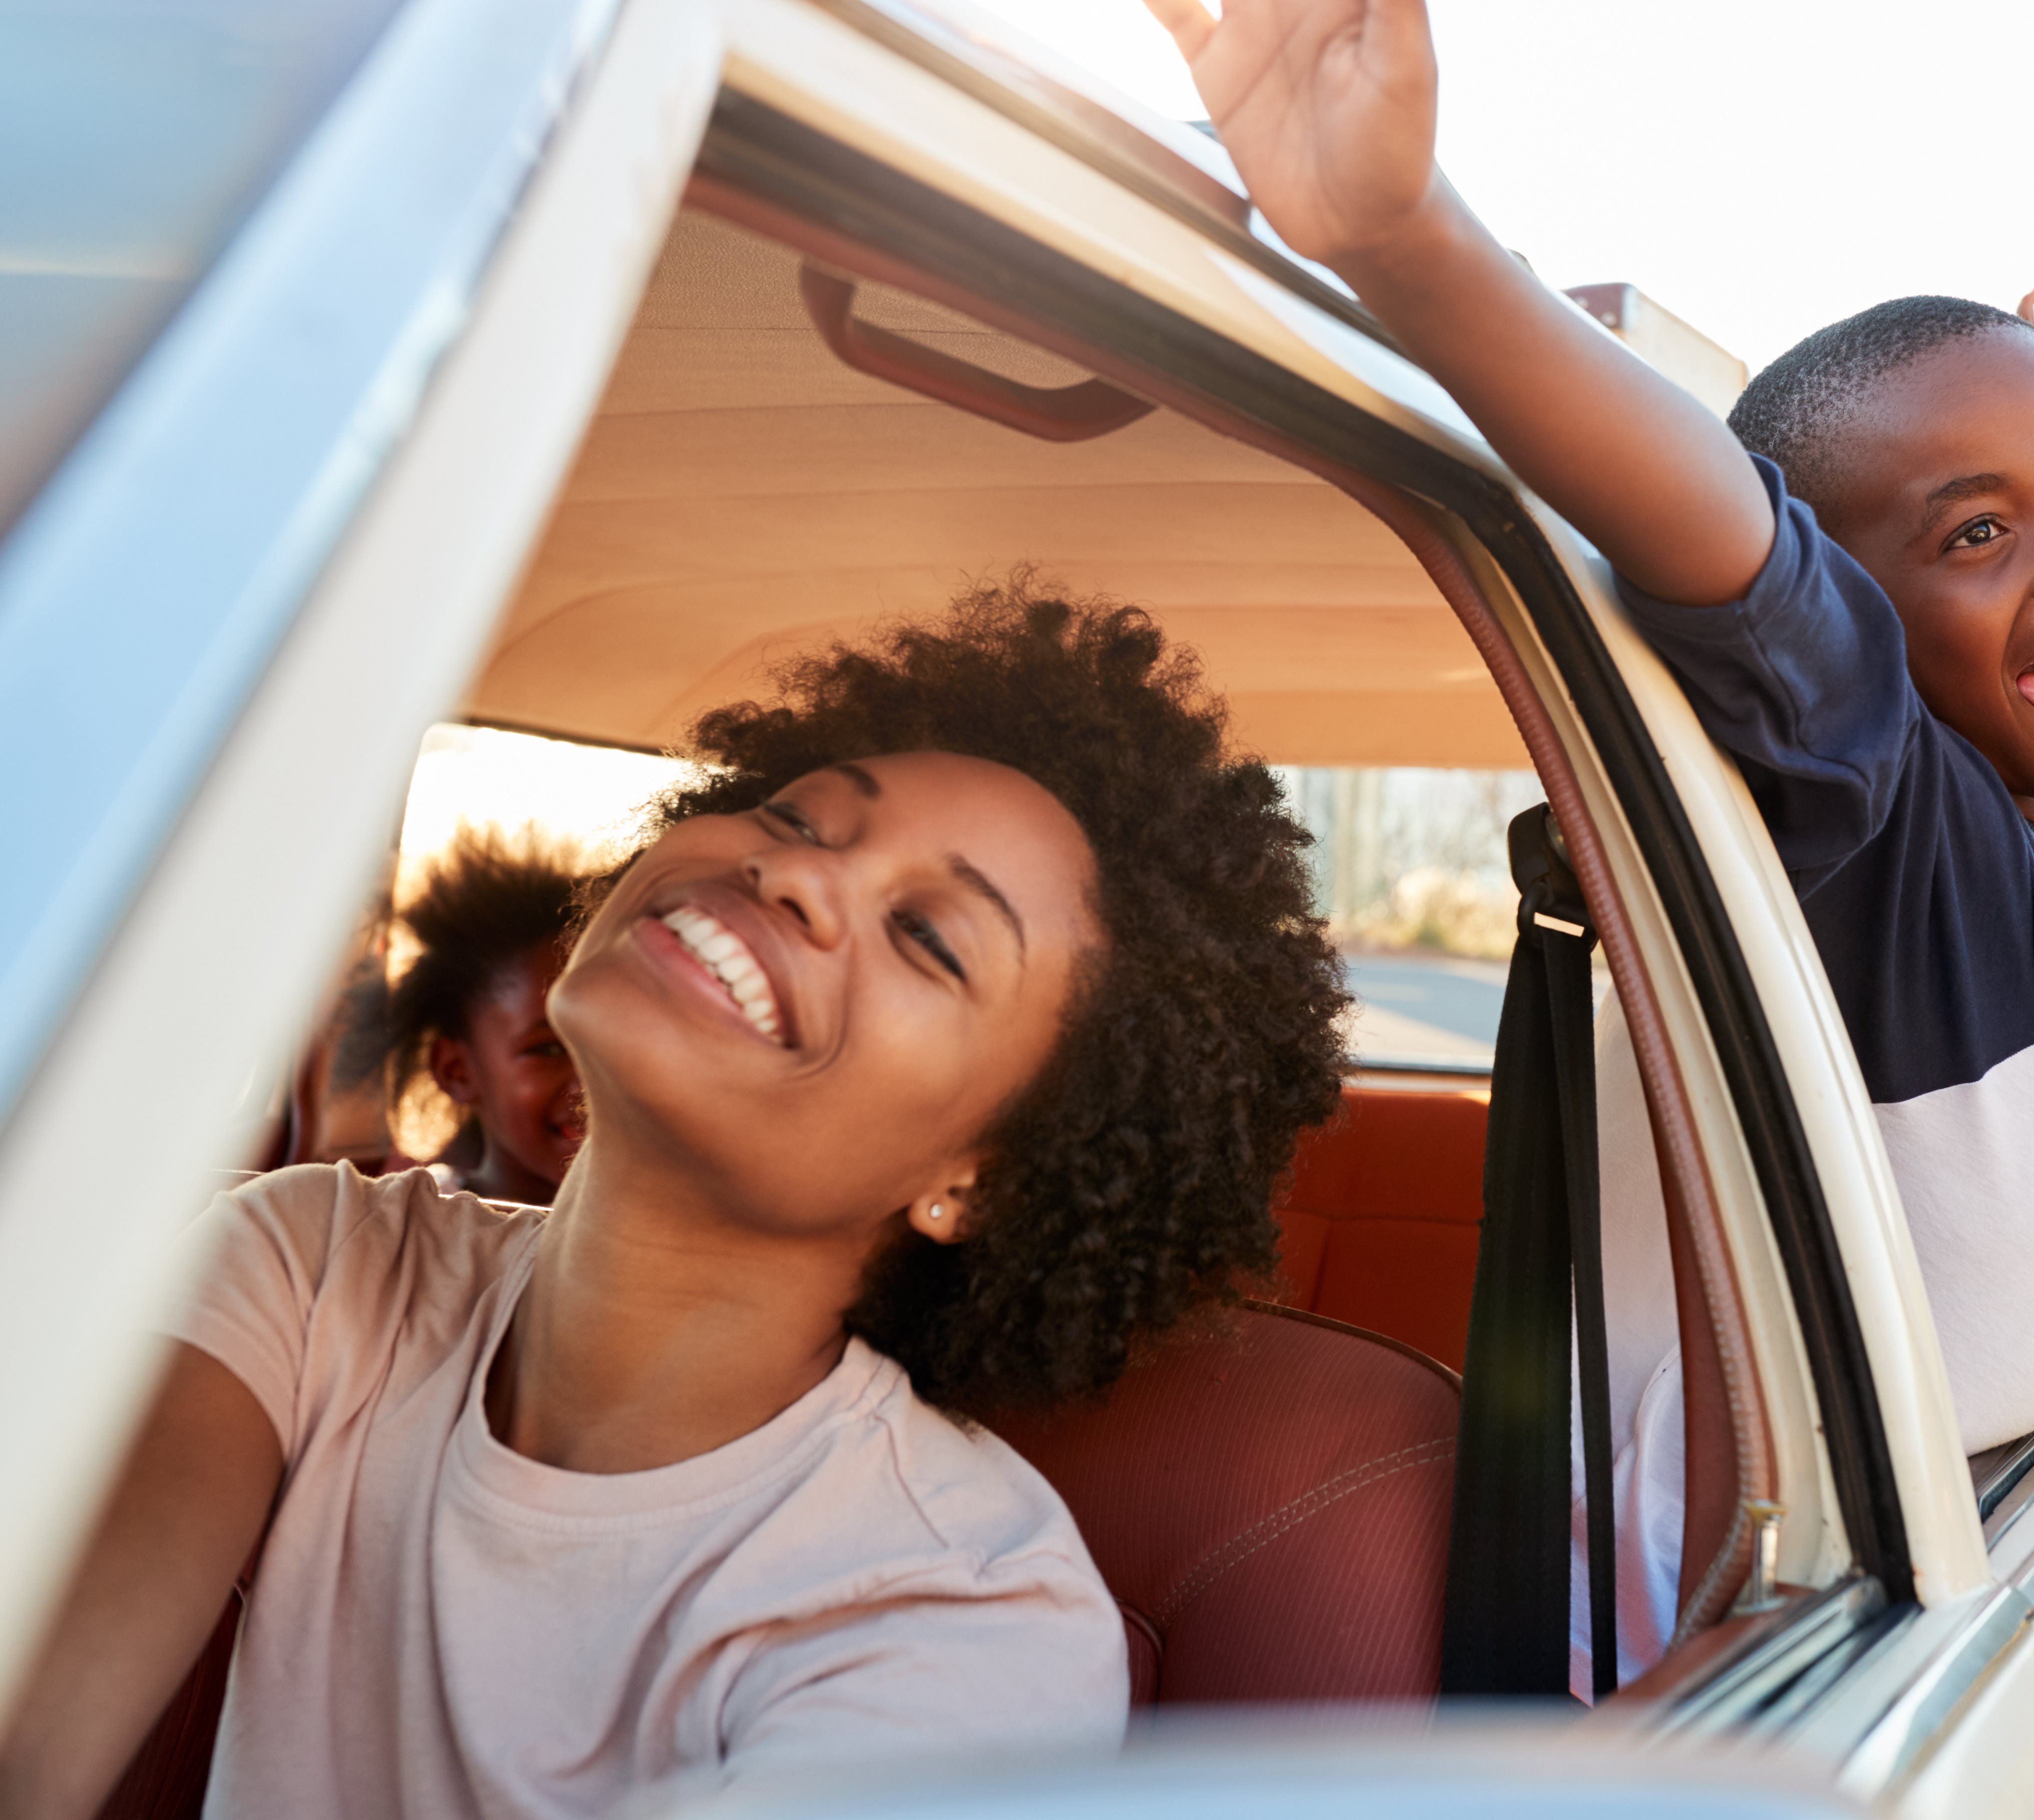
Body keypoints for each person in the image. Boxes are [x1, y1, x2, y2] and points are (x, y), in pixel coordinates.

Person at [1146, 0, 2034, 1682]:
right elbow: (1755, 568)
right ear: (1844, 619)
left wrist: (2029, 405)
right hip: (1690, 1691)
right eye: (1979, 528)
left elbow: (2031, 708)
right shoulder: (1898, 845)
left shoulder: (2023, 829)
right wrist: (1411, 244)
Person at [0, 585, 1349, 1818]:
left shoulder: (958, 1615)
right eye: (797, 816)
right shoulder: (318, 1259)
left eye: (929, 936)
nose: (796, 874)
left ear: (983, 1179)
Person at [385, 829, 588, 1203]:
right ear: (457, 1071)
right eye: (547, 1050)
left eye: (606, 1044)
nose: (591, 1080)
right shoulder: (418, 1225)